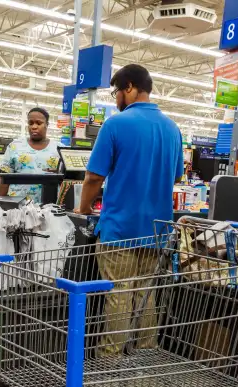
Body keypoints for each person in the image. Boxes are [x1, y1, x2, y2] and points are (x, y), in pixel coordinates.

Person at [75, 64, 184, 355]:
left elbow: (94, 177)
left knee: (119, 293)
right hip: (156, 230)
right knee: (145, 293)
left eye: (116, 92)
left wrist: (83, 209)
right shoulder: (173, 129)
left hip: (119, 229)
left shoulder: (115, 124)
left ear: (129, 88)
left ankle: (110, 358)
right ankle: (146, 353)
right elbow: (175, 177)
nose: (115, 99)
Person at [0, 107, 60, 203]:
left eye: (39, 123)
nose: (34, 127)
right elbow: (4, 178)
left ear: (47, 124)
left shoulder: (58, 149)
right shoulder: (15, 146)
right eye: (30, 123)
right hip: (17, 206)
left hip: (49, 206)